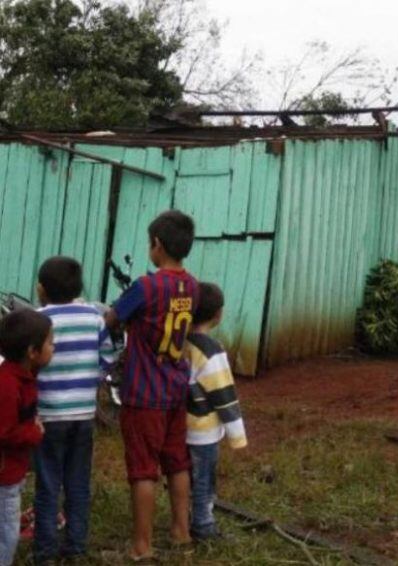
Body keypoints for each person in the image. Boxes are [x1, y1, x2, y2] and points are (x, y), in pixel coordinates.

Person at [104, 210, 199, 561]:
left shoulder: (146, 287)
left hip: (145, 394)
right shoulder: (191, 285)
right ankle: (181, 531)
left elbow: (113, 317)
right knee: (177, 462)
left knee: (143, 469)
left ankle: (142, 546)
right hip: (176, 388)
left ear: (156, 245)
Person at [34, 257, 115, 565]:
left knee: (47, 484)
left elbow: (29, 363)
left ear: (41, 289)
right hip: (83, 414)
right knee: (78, 481)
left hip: (48, 416)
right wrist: (93, 378)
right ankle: (76, 545)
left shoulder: (39, 320)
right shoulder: (93, 318)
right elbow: (109, 355)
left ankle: (45, 552)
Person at [185, 283, 247, 541]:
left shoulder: (180, 343)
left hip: (181, 425)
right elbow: (223, 396)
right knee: (204, 479)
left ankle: (188, 516)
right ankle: (203, 524)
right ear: (218, 314)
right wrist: (237, 435)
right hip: (204, 431)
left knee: (188, 476)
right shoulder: (212, 351)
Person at [0, 310, 54, 566]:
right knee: (7, 535)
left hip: (14, 472)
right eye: (50, 343)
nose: (53, 348)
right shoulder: (8, 385)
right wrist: (34, 432)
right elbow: (5, 432)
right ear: (32, 352)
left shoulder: (23, 378)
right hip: (5, 475)